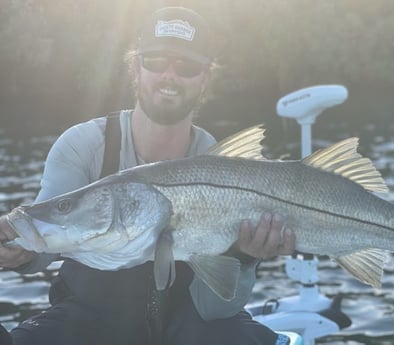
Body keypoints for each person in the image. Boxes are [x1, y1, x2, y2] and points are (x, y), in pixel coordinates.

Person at [0, 7, 296, 345]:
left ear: (205, 79)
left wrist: (243, 257)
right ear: (135, 68)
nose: (169, 76)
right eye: (155, 61)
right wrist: (18, 249)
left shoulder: (218, 161)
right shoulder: (83, 145)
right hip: (90, 318)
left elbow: (215, 309)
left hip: (191, 321)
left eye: (186, 67)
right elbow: (49, 233)